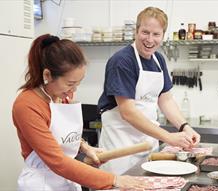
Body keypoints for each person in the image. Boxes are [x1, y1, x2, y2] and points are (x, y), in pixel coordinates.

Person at [12, 34, 149, 191]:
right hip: (41, 184)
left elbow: (60, 136)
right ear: (47, 75)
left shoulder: (59, 96)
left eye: (78, 83)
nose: (73, 91)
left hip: (67, 180)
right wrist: (114, 179)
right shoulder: (27, 105)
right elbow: (57, 161)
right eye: (70, 83)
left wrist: (85, 147)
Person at [98, 6, 201, 175]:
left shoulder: (158, 60)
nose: (150, 40)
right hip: (120, 146)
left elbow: (165, 100)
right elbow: (128, 112)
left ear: (163, 36)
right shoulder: (122, 61)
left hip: (147, 142)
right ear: (136, 31)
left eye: (156, 34)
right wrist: (168, 137)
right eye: (145, 32)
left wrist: (185, 127)